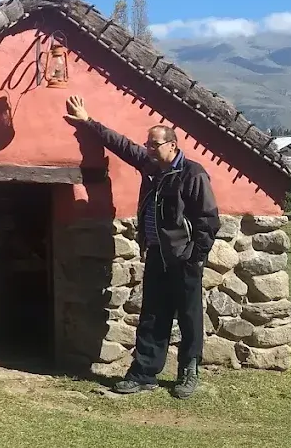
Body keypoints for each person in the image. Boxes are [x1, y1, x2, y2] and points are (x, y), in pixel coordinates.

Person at [64, 95, 220, 399]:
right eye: (147, 144)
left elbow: (208, 220)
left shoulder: (193, 174)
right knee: (153, 315)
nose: (148, 148)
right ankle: (144, 373)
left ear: (172, 145)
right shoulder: (151, 167)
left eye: (154, 144)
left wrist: (194, 257)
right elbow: (122, 145)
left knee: (189, 317)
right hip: (157, 255)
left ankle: (189, 372)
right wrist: (88, 121)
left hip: (183, 260)